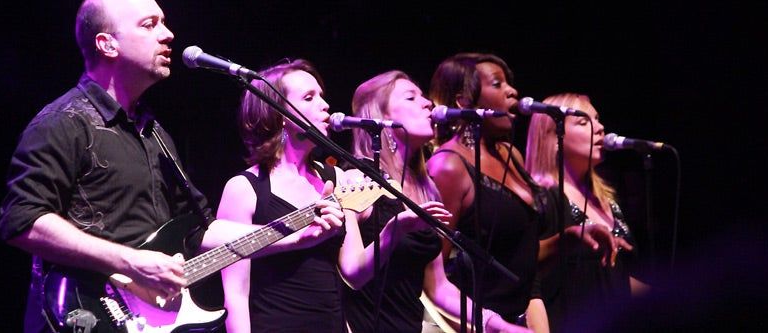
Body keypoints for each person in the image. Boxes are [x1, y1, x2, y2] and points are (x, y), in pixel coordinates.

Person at [0, 0, 328, 333]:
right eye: (149, 24)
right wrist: (130, 262)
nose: (168, 35)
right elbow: (21, 220)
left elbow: (200, 231)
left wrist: (294, 236)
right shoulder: (63, 122)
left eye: (164, 23)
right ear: (107, 44)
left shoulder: (154, 133)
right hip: (84, 316)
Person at [217, 60, 446, 333]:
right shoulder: (244, 188)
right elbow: (236, 295)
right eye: (309, 98)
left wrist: (393, 232)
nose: (325, 105)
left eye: (321, 95)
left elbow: (354, 273)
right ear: (278, 113)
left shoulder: (336, 179)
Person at [425, 53, 616, 333]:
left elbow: (516, 257)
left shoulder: (509, 154)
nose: (512, 91)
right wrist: (491, 326)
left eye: (509, 83)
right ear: (463, 102)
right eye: (497, 84)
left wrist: (569, 237)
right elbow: (433, 278)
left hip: (517, 322)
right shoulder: (448, 166)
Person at [343, 70, 528, 333]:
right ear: (381, 117)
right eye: (411, 97)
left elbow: (438, 287)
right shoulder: (357, 180)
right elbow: (349, 274)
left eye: (423, 96)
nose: (427, 103)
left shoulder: (426, 188)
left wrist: (496, 324)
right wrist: (393, 232)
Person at [525, 93, 648, 333]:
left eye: (598, 119)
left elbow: (612, 277)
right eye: (583, 122)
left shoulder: (606, 199)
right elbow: (526, 273)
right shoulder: (541, 198)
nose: (600, 128)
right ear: (554, 137)